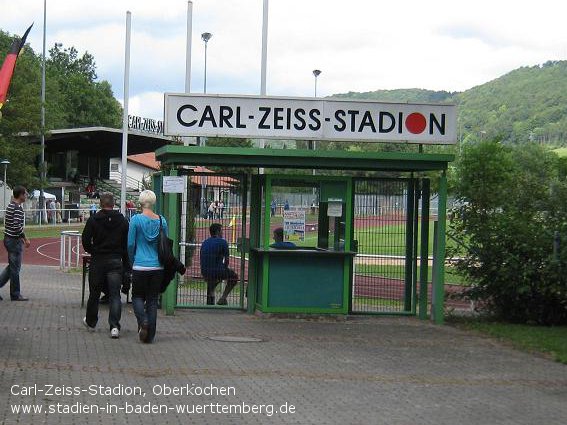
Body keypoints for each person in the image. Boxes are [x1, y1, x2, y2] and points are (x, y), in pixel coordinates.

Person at [81, 192, 130, 339]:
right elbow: (126, 244)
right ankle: (114, 326)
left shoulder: (93, 220)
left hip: (98, 260)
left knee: (94, 293)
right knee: (115, 295)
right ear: (113, 204)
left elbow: (85, 240)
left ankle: (91, 322)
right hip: (115, 260)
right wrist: (125, 263)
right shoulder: (123, 221)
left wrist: (93, 250)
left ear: (101, 204)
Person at [128, 190, 166, 343]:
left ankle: (143, 320)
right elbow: (166, 243)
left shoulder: (135, 220)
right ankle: (150, 335)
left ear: (141, 202)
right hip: (157, 266)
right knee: (152, 300)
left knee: (137, 296)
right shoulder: (162, 221)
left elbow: (130, 244)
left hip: (140, 265)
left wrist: (132, 261)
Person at [0, 186, 31, 301]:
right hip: (14, 241)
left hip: (8, 239)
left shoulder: (10, 206)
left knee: (11, 268)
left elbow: (11, 225)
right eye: (26, 194)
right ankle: (15, 294)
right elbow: (17, 226)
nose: (26, 196)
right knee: (15, 269)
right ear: (21, 195)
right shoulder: (17, 208)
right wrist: (25, 238)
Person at [200, 223, 238, 305]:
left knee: (213, 279)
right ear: (217, 231)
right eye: (221, 231)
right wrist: (224, 269)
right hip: (217, 271)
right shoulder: (223, 242)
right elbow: (227, 260)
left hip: (204, 271)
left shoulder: (205, 242)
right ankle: (223, 298)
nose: (222, 233)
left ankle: (211, 297)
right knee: (234, 277)